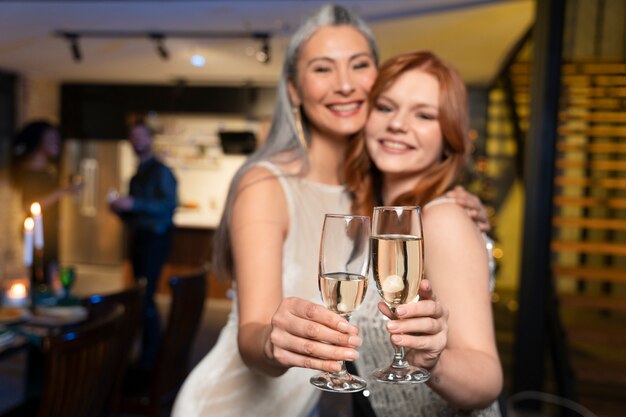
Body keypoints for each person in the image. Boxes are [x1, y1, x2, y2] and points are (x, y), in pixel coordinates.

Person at [172, 5, 488, 417]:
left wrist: (455, 205)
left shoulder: (371, 192)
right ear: (293, 90)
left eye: (359, 65)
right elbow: (251, 334)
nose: (344, 84)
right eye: (322, 69)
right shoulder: (266, 183)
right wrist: (272, 340)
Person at [341, 50, 502, 416]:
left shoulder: (442, 221)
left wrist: (433, 363)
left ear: (448, 138)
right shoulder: (372, 218)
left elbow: (487, 379)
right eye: (385, 107)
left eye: (424, 115)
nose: (398, 124)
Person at [109, 120, 177, 369]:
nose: (137, 140)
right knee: (141, 297)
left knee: (145, 297)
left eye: (141, 136)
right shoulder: (137, 175)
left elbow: (168, 207)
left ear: (150, 139)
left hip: (155, 240)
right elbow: (133, 216)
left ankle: (152, 357)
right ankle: (149, 353)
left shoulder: (161, 172)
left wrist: (134, 204)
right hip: (139, 239)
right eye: (132, 136)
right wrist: (119, 209)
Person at [10, 120, 82, 282]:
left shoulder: (47, 170)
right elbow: (29, 205)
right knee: (41, 274)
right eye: (52, 139)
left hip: (49, 231)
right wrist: (64, 190)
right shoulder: (30, 171)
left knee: (52, 274)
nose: (57, 143)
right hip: (36, 231)